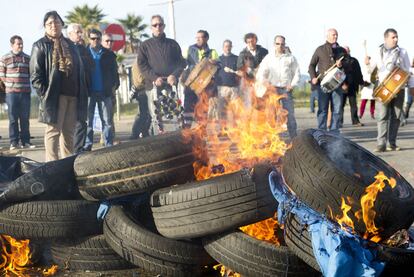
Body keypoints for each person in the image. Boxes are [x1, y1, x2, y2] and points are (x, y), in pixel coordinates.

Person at [30, 11, 88, 161]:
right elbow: (36, 76)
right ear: (45, 26)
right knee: (53, 131)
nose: (53, 26)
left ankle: (67, 163)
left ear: (62, 24)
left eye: (56, 23)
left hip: (73, 94)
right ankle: (51, 164)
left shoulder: (71, 44)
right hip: (55, 96)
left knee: (69, 132)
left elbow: (79, 68)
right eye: (50, 23)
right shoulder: (40, 45)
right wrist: (45, 94)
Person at [366, 28, 414, 152]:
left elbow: (408, 71)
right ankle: (381, 144)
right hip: (384, 89)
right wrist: (367, 63)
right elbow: (371, 70)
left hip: (399, 89)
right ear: (386, 38)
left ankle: (391, 143)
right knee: (382, 116)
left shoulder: (402, 52)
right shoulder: (378, 51)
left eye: (396, 37)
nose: (396, 39)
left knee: (396, 117)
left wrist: (411, 87)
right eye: (393, 37)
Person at [137, 15, 186, 135]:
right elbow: (142, 65)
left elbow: (181, 63)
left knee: (175, 115)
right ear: (151, 27)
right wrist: (154, 77)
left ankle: (177, 141)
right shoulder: (145, 46)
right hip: (153, 86)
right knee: (156, 117)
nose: (157, 27)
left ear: (164, 26)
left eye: (160, 24)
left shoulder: (173, 44)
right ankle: (158, 141)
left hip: (171, 85)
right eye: (155, 25)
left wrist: (174, 75)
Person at [256, 35, 300, 139]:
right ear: (274, 44)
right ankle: (273, 139)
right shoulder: (268, 58)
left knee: (290, 115)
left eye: (282, 44)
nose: (280, 46)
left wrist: (292, 84)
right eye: (278, 44)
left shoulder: (291, 58)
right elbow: (261, 73)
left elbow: (297, 73)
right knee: (272, 115)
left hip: (286, 89)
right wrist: (265, 83)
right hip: (272, 89)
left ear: (285, 45)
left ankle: (294, 138)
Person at [83, 29, 119, 151]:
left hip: (105, 92)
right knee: (88, 121)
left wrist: (113, 86)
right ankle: (87, 145)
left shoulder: (109, 54)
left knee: (107, 121)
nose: (96, 41)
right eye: (93, 38)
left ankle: (108, 144)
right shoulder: (84, 54)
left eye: (98, 38)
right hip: (89, 93)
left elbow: (115, 74)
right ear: (89, 39)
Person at [308, 28, 346, 134]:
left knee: (337, 110)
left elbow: (347, 67)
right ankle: (321, 131)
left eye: (336, 35)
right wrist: (313, 77)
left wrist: (341, 65)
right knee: (322, 109)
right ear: (327, 36)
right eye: (333, 35)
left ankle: (334, 132)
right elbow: (311, 65)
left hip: (337, 84)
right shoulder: (320, 49)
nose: (335, 37)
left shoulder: (341, 50)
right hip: (322, 85)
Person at [0, 35, 35, 150]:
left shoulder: (28, 58)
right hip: (11, 94)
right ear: (12, 45)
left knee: (25, 118)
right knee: (13, 118)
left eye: (21, 44)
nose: (20, 46)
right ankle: (13, 142)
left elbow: (32, 73)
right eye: (18, 44)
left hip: (25, 92)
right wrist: (10, 85)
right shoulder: (4, 58)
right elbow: (1, 75)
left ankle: (26, 142)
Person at [182, 30, 219, 127]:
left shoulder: (212, 52)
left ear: (206, 39)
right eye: (196, 37)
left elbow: (219, 64)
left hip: (205, 85)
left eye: (200, 37)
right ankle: (187, 128)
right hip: (191, 83)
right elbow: (183, 62)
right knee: (188, 107)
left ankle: (201, 131)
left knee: (203, 107)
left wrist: (214, 62)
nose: (197, 39)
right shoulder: (190, 49)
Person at [67, 23, 92, 153]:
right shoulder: (65, 47)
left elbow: (90, 66)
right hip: (70, 91)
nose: (80, 34)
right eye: (77, 32)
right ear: (70, 34)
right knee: (72, 123)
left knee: (82, 121)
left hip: (83, 90)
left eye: (81, 32)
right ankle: (73, 150)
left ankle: (78, 149)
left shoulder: (83, 49)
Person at [215, 39, 240, 122]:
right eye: (226, 46)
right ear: (223, 47)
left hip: (234, 88)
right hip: (222, 88)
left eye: (229, 46)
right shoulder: (218, 59)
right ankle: (222, 128)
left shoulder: (236, 58)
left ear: (231, 47)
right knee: (221, 109)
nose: (228, 48)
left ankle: (234, 129)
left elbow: (240, 72)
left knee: (235, 109)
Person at [340, 46, 364, 127]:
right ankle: (339, 122)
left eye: (347, 50)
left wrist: (361, 82)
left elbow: (358, 72)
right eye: (344, 50)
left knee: (353, 105)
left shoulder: (354, 60)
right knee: (340, 105)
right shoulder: (339, 61)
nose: (346, 51)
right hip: (342, 86)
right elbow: (337, 74)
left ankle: (355, 121)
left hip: (352, 86)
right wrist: (342, 84)